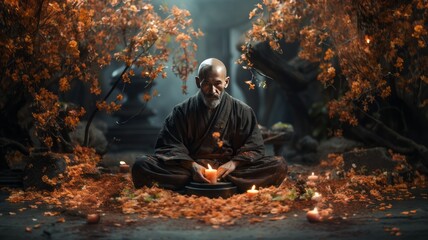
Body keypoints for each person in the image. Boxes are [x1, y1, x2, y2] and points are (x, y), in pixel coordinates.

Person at [132, 58, 287, 192]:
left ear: (226, 82)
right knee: (142, 165)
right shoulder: (182, 111)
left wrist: (233, 164)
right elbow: (168, 145)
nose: (212, 90)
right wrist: (192, 166)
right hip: (189, 169)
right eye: (206, 83)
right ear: (198, 82)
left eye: (218, 83)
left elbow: (255, 146)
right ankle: (214, 182)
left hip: (229, 169)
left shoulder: (242, 111)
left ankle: (204, 182)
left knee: (278, 165)